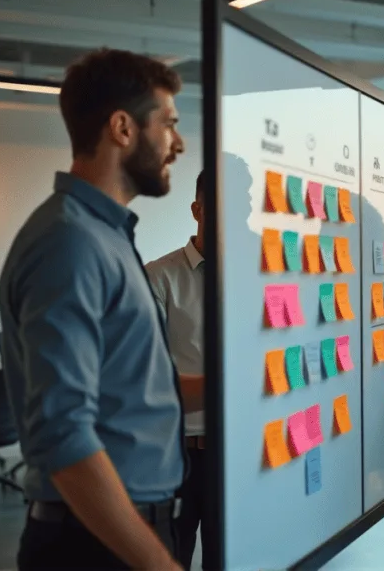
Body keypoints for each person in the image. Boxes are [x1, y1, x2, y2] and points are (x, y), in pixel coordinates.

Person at [0, 48, 203, 570]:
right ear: (122, 128)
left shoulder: (104, 236)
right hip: (94, 544)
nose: (177, 144)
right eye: (169, 125)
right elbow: (63, 434)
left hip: (120, 529)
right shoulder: (70, 243)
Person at [146, 171, 212, 569]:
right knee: (173, 558)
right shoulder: (159, 277)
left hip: (237, 453)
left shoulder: (253, 279)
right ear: (197, 210)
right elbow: (149, 379)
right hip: (178, 457)